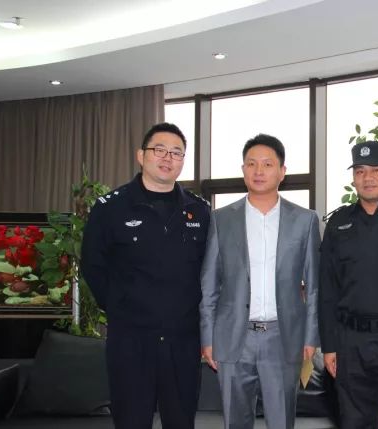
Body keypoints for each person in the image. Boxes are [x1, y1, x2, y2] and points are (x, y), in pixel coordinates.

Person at [81, 122, 210, 429]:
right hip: (131, 340)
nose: (168, 158)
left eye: (176, 153)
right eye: (159, 150)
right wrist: (121, 305)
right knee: (131, 421)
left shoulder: (200, 211)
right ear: (141, 155)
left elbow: (209, 270)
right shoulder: (110, 208)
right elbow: (93, 265)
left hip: (182, 340)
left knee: (181, 421)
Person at [199, 134, 320, 429]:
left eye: (267, 164)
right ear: (243, 170)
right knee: (235, 420)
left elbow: (315, 285)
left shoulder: (304, 220)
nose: (258, 171)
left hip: (283, 337)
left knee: (281, 421)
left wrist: (310, 337)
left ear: (282, 171)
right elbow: (209, 284)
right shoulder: (221, 219)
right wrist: (208, 337)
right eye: (251, 164)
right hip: (232, 337)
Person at [319, 141, 378, 429]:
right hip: (351, 344)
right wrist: (330, 346)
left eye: (376, 170)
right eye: (360, 171)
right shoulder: (339, 223)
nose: (367, 178)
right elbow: (327, 289)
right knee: (354, 422)